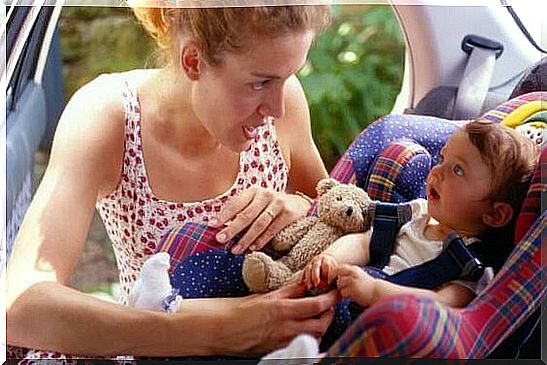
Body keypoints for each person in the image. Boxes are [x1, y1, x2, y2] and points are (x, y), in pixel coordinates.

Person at [6, 4, 339, 359]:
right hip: (155, 348)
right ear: (193, 61)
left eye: (288, 76)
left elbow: (339, 215)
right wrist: (224, 330)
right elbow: (20, 306)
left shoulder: (283, 98)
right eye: (259, 83)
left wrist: (300, 205)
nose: (277, 107)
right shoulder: (111, 116)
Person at [261, 119, 539, 360]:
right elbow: (363, 242)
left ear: (495, 214)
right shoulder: (416, 214)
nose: (437, 171)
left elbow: (442, 305)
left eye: (458, 170)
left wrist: (374, 292)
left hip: (385, 338)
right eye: (442, 159)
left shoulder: (471, 265)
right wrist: (331, 258)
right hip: (340, 310)